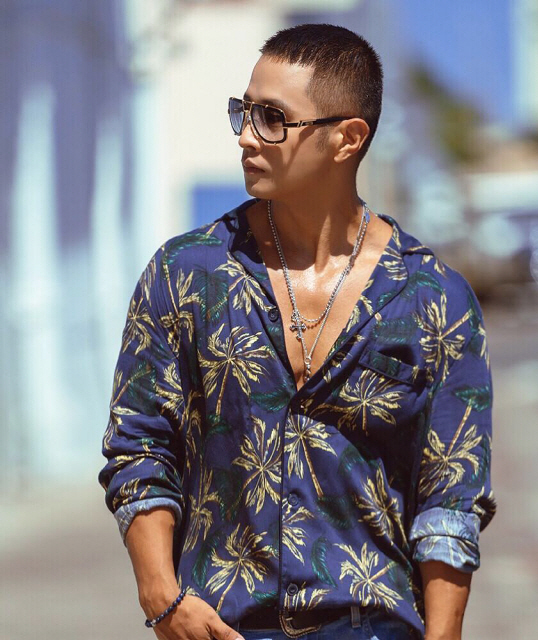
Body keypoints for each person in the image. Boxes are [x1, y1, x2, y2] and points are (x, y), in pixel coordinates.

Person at [99, 23, 496, 640]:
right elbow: (140, 446)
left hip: (373, 626)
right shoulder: (187, 274)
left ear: (347, 138)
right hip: (221, 624)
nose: (246, 136)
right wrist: (161, 595)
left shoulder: (434, 299)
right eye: (244, 112)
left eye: (272, 118)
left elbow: (450, 498)